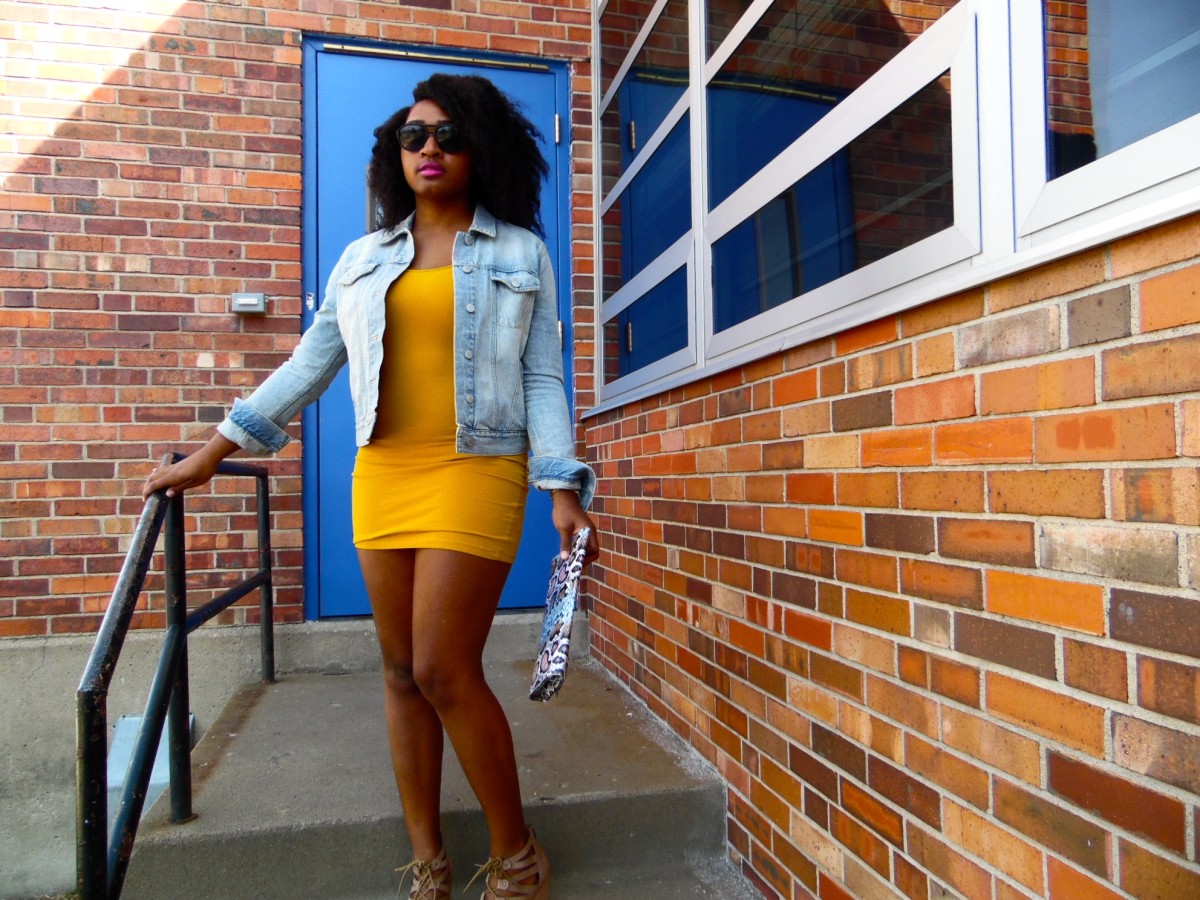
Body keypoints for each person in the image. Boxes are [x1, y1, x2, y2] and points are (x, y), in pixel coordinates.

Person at [142, 73, 598, 900]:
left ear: (481, 149)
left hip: (477, 466)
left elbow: (541, 378)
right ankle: (427, 859)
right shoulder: (362, 258)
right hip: (384, 470)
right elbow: (311, 364)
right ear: (397, 152)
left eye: (450, 136)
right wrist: (214, 450)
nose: (430, 149)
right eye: (414, 136)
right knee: (396, 671)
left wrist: (560, 484)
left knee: (443, 668)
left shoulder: (519, 253)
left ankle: (518, 852)